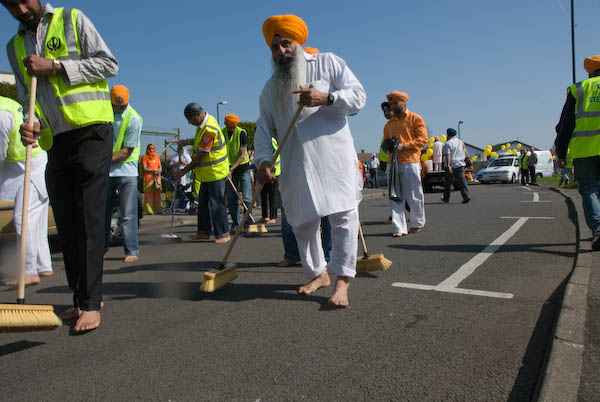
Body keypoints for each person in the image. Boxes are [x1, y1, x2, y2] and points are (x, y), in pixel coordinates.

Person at [4, 0, 118, 331]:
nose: (22, 8)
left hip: (92, 130)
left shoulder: (72, 19)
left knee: (89, 217)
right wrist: (32, 122)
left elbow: (109, 64)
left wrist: (55, 66)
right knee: (67, 221)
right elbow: (29, 96)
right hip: (56, 140)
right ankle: (79, 297)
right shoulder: (14, 46)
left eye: (25, 0)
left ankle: (91, 304)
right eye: (11, 5)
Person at [254, 14, 365, 306]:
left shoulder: (328, 63)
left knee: (343, 217)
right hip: (294, 163)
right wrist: (263, 161)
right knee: (301, 222)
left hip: (332, 158)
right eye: (275, 47)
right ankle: (318, 273)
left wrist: (325, 98)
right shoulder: (270, 88)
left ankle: (342, 281)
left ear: (298, 43)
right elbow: (263, 128)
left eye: (286, 44)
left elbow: (358, 97)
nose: (281, 52)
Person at [0, 95, 52, 286]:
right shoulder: (7, 103)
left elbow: (0, 153)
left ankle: (29, 271)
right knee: (36, 219)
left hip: (31, 165)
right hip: (30, 163)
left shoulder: (1, 114)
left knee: (23, 218)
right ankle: (43, 264)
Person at [555, 54, 600, 251]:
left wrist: (561, 153)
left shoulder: (578, 89)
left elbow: (565, 126)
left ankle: (598, 228)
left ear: (589, 71)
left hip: (585, 150)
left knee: (589, 188)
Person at [174, 103, 230, 244]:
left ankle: (223, 234)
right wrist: (186, 141)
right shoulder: (202, 126)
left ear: (198, 115)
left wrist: (183, 171)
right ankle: (204, 232)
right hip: (207, 173)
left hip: (215, 171)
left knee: (217, 203)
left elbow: (200, 156)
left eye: (190, 119)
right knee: (203, 203)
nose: (189, 123)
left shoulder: (209, 128)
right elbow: (199, 141)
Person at [382, 91, 428, 237]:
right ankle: (399, 228)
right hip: (393, 163)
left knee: (414, 193)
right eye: (391, 104)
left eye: (395, 103)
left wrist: (404, 145)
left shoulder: (415, 118)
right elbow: (385, 142)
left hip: (410, 161)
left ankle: (417, 223)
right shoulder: (388, 125)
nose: (393, 106)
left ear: (403, 103)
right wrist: (388, 146)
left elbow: (423, 139)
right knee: (395, 195)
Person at [104, 85, 141, 263]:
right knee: (102, 212)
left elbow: (126, 151)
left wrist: (100, 161)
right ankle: (101, 249)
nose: (119, 108)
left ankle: (131, 250)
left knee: (128, 213)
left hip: (126, 170)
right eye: (116, 105)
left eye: (122, 105)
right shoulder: (104, 113)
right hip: (106, 170)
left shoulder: (134, 119)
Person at [222, 113, 252, 232]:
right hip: (228, 169)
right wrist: (226, 169)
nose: (233, 128)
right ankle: (236, 223)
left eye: (234, 126)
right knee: (231, 197)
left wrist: (231, 169)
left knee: (247, 197)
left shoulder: (241, 133)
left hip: (242, 167)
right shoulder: (221, 132)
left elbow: (242, 155)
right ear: (226, 124)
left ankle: (248, 223)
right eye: (230, 126)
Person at [441, 128, 470, 203]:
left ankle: (446, 198)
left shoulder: (448, 143)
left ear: (448, 134)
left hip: (452, 164)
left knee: (448, 183)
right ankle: (466, 196)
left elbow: (447, 155)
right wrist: (467, 159)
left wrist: (448, 165)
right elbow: (465, 150)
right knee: (462, 181)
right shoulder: (460, 142)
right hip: (460, 164)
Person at [260, 137, 280, 224]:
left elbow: (273, 152)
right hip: (265, 171)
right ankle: (265, 216)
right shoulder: (262, 140)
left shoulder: (270, 140)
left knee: (273, 195)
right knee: (263, 194)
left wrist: (269, 167)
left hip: (274, 171)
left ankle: (273, 217)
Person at [169, 147, 193, 211]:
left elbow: (191, 165)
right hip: (178, 176)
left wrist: (183, 162)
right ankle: (178, 206)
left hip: (186, 176)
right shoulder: (175, 156)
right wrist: (178, 163)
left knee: (187, 191)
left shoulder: (187, 156)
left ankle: (187, 206)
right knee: (179, 191)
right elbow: (171, 165)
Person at [141, 143, 162, 214]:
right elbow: (144, 168)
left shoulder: (157, 157)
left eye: (152, 148)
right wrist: (154, 170)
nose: (151, 150)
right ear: (147, 149)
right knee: (148, 194)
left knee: (157, 194)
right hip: (148, 178)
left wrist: (159, 171)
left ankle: (158, 209)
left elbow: (160, 166)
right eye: (149, 148)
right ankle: (149, 210)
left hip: (157, 179)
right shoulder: (144, 158)